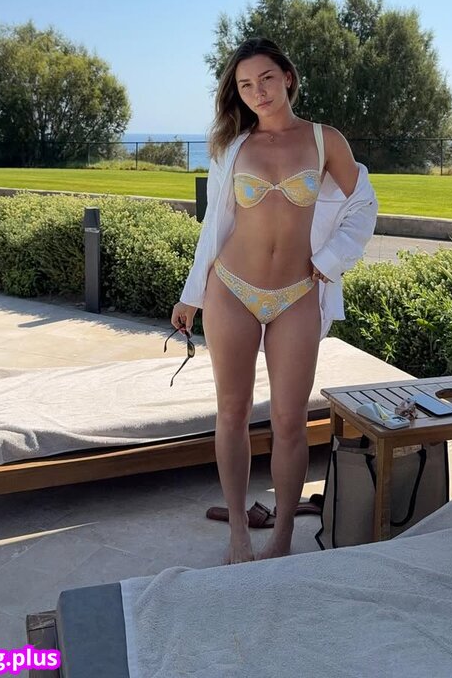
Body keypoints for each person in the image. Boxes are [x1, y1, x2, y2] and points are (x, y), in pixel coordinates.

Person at [171, 38, 378, 564]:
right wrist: (191, 296)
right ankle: (239, 532)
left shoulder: (324, 140)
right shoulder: (234, 147)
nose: (257, 92)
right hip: (231, 289)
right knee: (232, 411)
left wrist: (330, 259)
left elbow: (364, 204)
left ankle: (282, 534)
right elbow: (213, 226)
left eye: (265, 78)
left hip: (298, 293)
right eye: (245, 85)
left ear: (287, 76)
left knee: (289, 420)